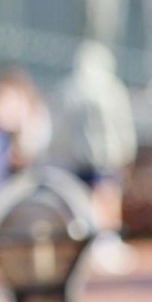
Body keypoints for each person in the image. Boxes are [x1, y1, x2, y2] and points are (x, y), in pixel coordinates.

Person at [53, 42, 139, 273]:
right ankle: (103, 243)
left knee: (98, 198)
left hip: (87, 155)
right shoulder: (110, 89)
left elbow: (59, 130)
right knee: (103, 198)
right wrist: (126, 151)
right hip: (100, 155)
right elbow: (123, 126)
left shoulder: (70, 89)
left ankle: (102, 243)